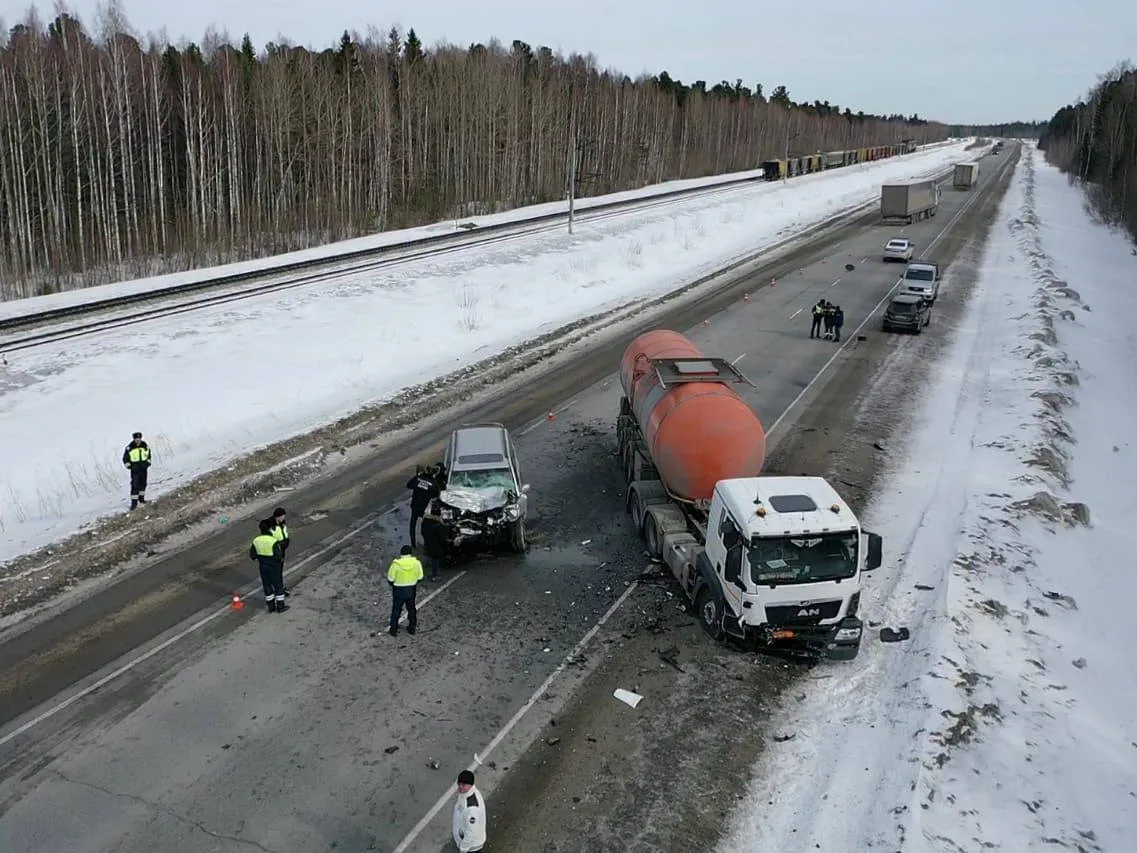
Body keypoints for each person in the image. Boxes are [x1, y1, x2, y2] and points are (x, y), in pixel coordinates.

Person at [250, 519, 288, 613]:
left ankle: (271, 607)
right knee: (278, 586)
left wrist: (260, 559)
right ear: (270, 529)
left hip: (263, 566)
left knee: (267, 586)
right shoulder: (273, 541)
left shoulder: (256, 540)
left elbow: (252, 555)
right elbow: (278, 555)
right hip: (274, 566)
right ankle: (280, 606)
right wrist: (279, 561)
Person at [387, 544, 424, 636]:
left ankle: (393, 629)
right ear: (410, 553)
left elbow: (390, 578)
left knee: (396, 609)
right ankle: (412, 627)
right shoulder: (416, 563)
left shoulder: (396, 564)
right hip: (411, 589)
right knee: (411, 609)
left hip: (398, 589)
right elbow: (420, 577)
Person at [451, 769, 487, 853]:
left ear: (470, 785)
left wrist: (463, 849)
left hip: (471, 847)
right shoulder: (467, 793)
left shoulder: (472, 809)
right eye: (459, 784)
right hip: (465, 842)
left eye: (463, 785)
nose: (460, 787)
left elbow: (471, 832)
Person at [406, 465, 441, 549]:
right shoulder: (434, 484)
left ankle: (413, 544)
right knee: (426, 527)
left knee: (412, 525)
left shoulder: (418, 478)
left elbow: (409, 485)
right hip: (425, 509)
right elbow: (436, 496)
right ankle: (426, 544)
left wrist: (418, 477)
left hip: (415, 506)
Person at [122, 431, 152, 511]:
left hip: (143, 468)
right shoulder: (130, 447)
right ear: (134, 439)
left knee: (143, 483)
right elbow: (125, 458)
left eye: (139, 438)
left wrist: (148, 463)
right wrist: (129, 466)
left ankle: (141, 499)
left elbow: (149, 455)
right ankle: (134, 503)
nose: (138, 440)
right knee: (135, 485)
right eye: (136, 439)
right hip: (135, 469)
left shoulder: (145, 446)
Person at [265, 507, 291, 598]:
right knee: (276, 572)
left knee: (279, 572)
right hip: (275, 553)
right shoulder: (272, 527)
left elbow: (285, 535)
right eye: (282, 516)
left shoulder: (282, 524)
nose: (284, 518)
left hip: (282, 552)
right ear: (278, 517)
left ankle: (280, 588)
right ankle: (278, 590)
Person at [419, 501, 447, 581]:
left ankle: (433, 572)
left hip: (428, 543)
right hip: (436, 547)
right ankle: (434, 576)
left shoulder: (425, 522)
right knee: (436, 561)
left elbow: (422, 531)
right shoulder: (438, 526)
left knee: (432, 558)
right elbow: (442, 537)